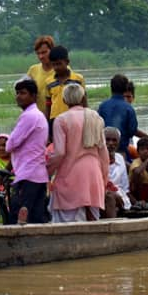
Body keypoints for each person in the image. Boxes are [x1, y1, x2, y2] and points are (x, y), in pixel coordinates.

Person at [47, 83, 109, 223]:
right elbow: (103, 154)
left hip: (70, 176)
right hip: (94, 175)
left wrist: (47, 171)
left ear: (64, 100)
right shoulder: (96, 118)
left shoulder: (61, 120)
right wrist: (104, 179)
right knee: (92, 220)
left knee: (67, 221)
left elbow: (59, 153)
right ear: (83, 97)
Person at [5, 78, 50, 224]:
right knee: (36, 218)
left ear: (33, 96)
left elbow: (10, 144)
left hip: (28, 174)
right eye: (17, 93)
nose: (18, 96)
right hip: (37, 174)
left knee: (17, 218)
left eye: (23, 93)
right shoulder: (39, 115)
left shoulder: (29, 116)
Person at [45, 45, 85, 133]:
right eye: (54, 65)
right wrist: (47, 127)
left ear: (67, 62)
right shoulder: (49, 82)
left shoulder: (78, 79)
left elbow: (84, 102)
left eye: (59, 64)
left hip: (74, 119)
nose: (56, 68)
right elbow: (48, 105)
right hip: (55, 120)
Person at [97, 74, 138, 159]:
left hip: (104, 150)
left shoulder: (102, 106)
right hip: (121, 149)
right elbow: (132, 130)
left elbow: (98, 127)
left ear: (111, 88)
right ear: (125, 88)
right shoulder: (128, 108)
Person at [103, 127, 132, 218]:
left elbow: (125, 187)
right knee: (110, 198)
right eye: (107, 140)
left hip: (121, 198)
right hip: (102, 196)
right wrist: (113, 194)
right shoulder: (95, 159)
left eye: (114, 140)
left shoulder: (119, 158)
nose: (111, 143)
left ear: (118, 143)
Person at [26, 35, 56, 118]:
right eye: (38, 53)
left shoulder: (62, 70)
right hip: (38, 118)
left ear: (52, 50)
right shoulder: (33, 70)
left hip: (57, 118)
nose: (41, 56)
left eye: (44, 52)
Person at [123, 80, 148, 160]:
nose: (126, 100)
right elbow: (135, 131)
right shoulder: (120, 111)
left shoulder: (130, 111)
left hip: (129, 145)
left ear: (133, 98)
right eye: (124, 97)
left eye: (128, 97)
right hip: (122, 148)